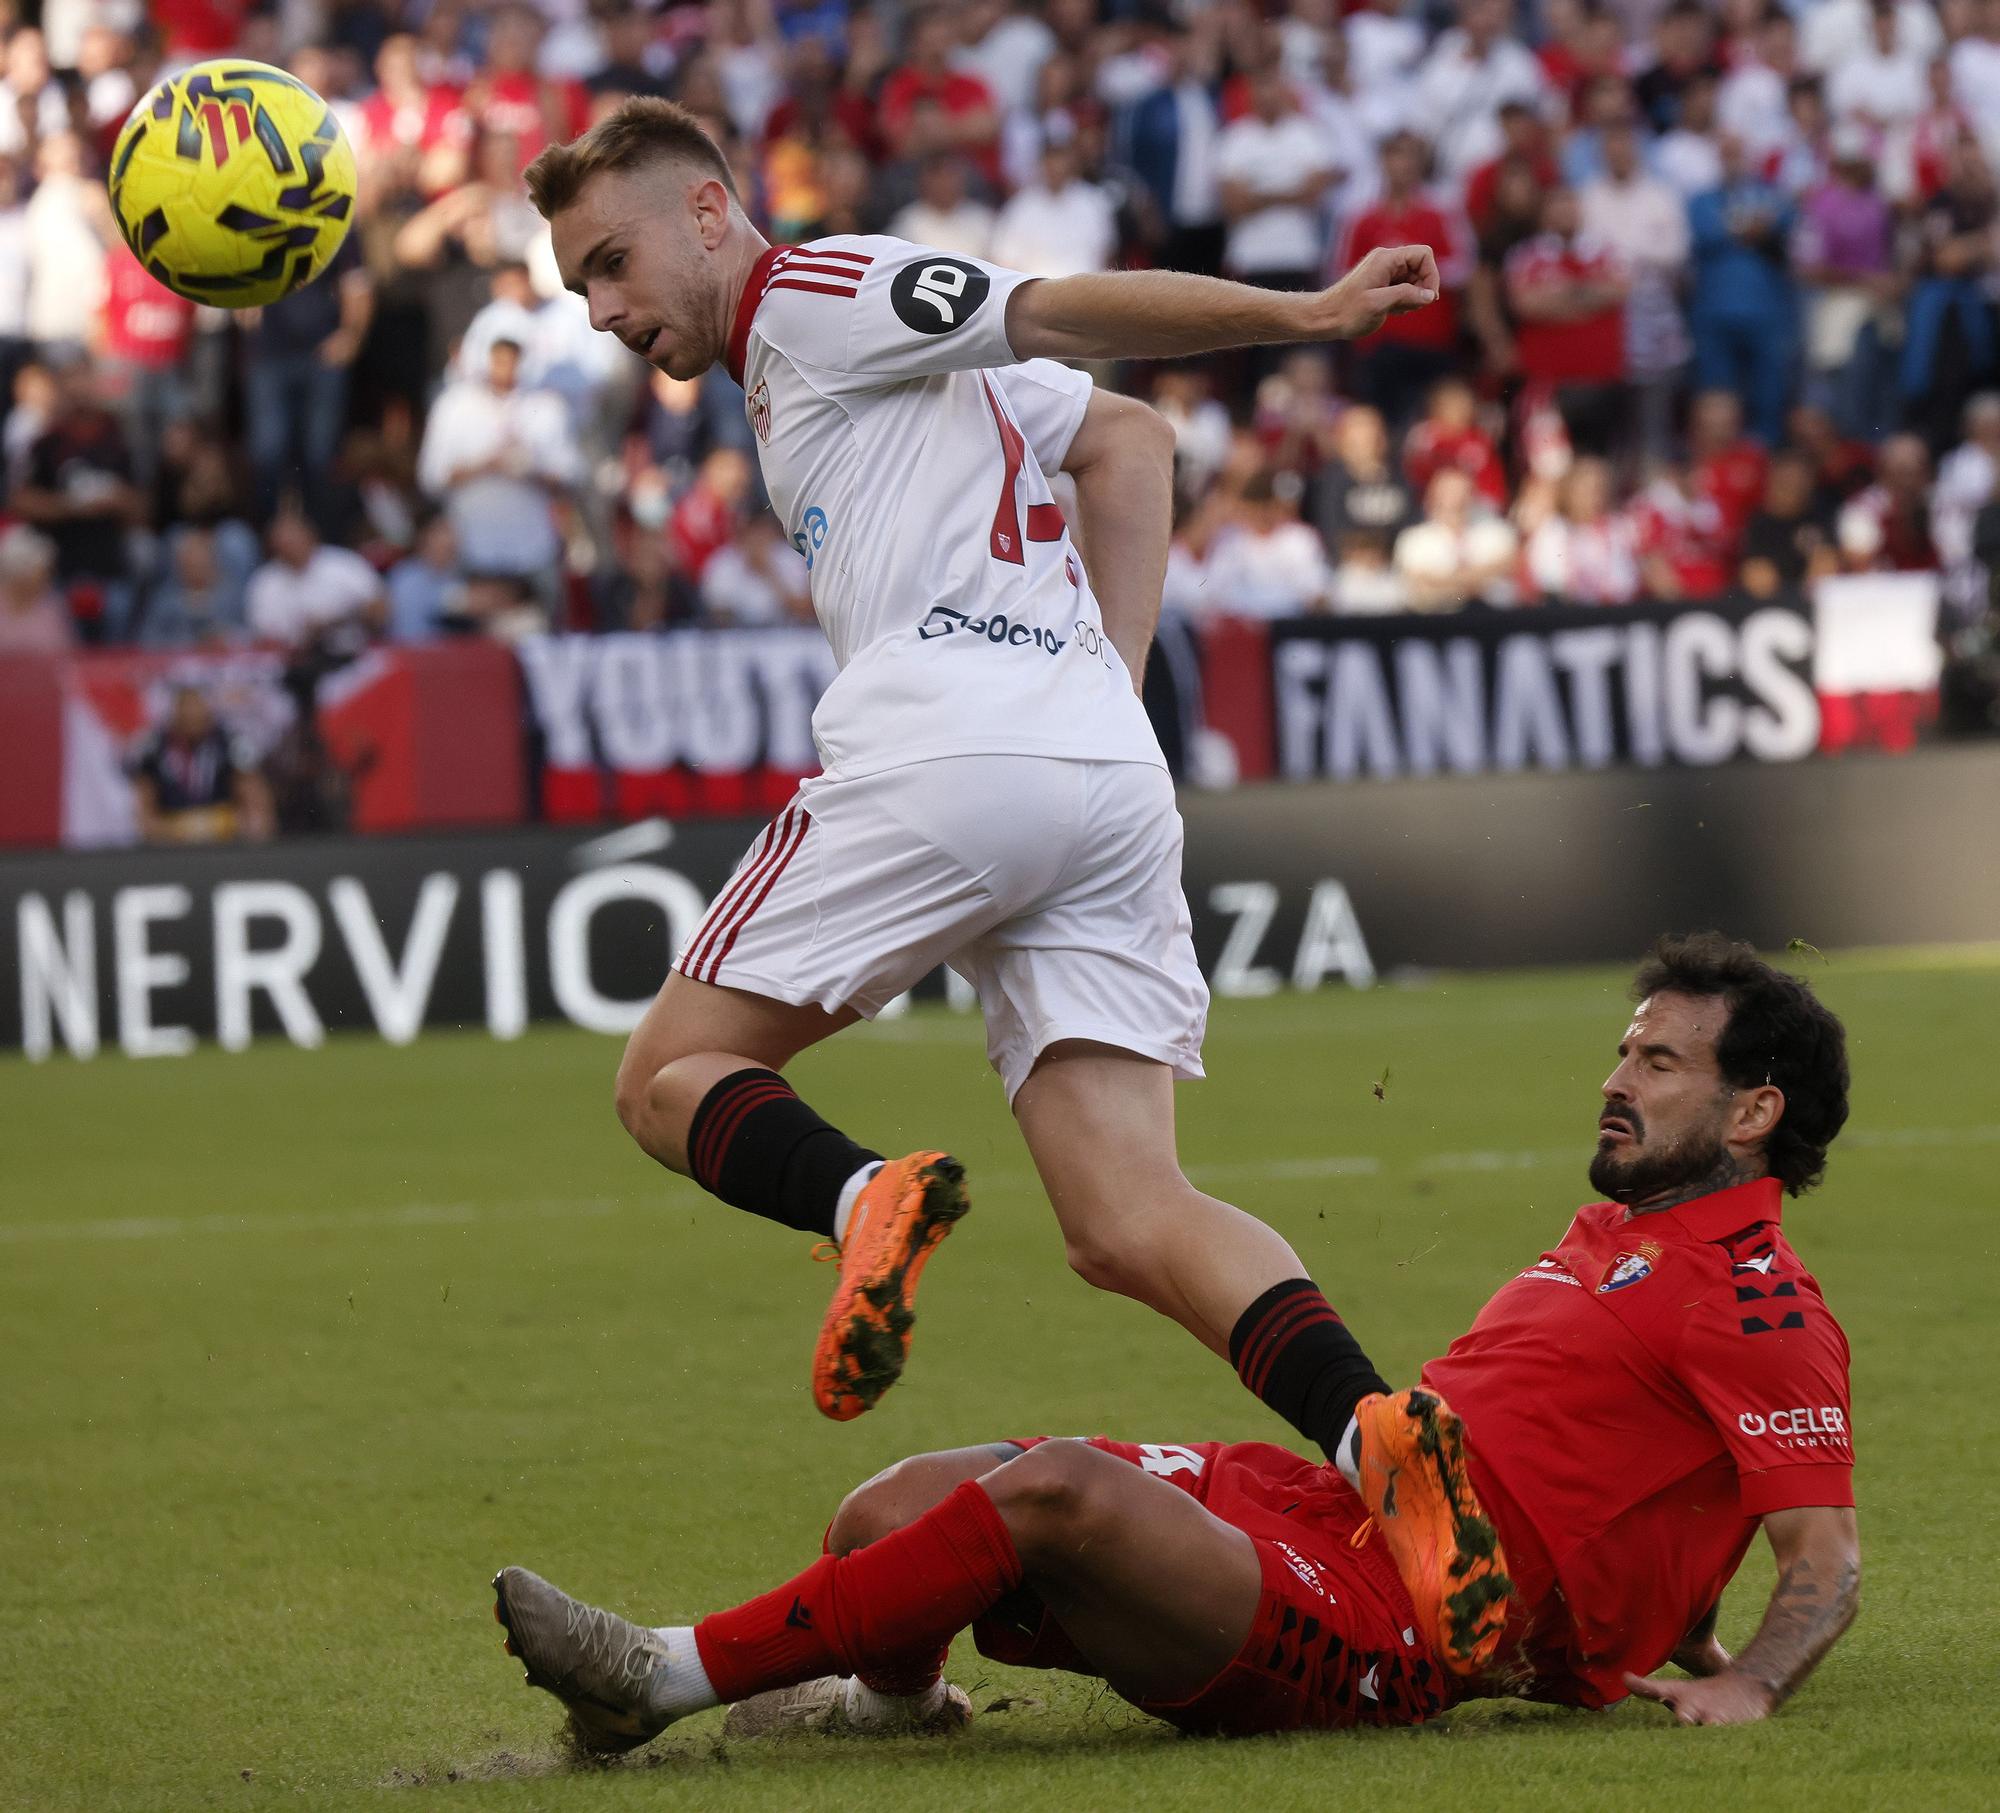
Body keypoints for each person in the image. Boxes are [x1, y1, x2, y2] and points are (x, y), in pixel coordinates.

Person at [525, 99, 1447, 1519]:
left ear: (709, 213)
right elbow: (1131, 444)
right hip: (1096, 770)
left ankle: (860, 1203)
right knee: (1131, 1220)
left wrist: (1307, 315)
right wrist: (1104, 700)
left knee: (664, 1079)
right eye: (582, 283)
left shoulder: (817, 291)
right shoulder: (873, 377)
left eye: (607, 263)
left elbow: (1066, 311)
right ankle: (1387, 1450)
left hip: (943, 748)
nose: (600, 310)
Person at [493, 934, 1859, 1749]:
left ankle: (659, 1672)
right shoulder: (1618, 1238)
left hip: (1404, 1621)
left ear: (1753, 1114)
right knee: (887, 1508)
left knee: (1058, 1494)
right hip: (1336, 1503)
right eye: (1626, 1052)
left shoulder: (1761, 1300)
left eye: (1660, 1064)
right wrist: (1659, 1602)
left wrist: (1746, 1679)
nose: (1617, 1081)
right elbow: (1616, 1469)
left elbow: (1826, 1557)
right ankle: (894, 1706)